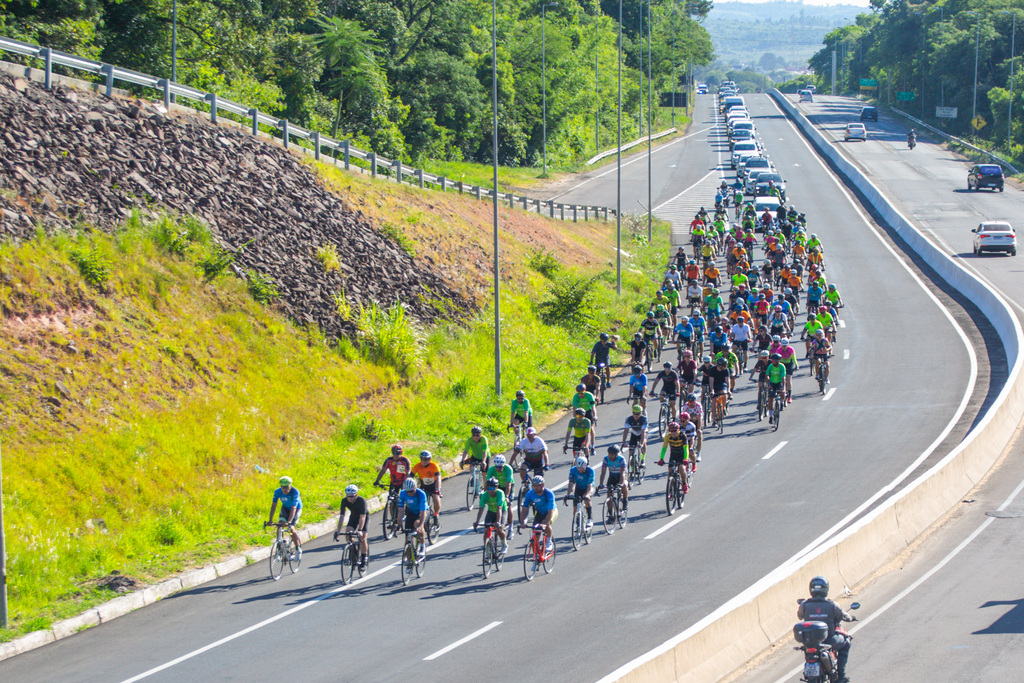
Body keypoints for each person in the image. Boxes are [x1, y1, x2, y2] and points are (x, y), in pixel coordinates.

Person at [798, 576, 855, 683]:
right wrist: (851, 618)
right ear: (826, 589)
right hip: (829, 639)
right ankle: (841, 676)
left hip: (810, 642)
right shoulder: (832, 605)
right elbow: (844, 616)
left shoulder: (804, 605)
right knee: (846, 642)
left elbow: (800, 616)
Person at [518, 476, 557, 554]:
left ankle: (549, 541)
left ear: (543, 485)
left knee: (547, 524)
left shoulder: (549, 494)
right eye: (534, 485)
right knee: (535, 536)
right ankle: (536, 557)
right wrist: (522, 522)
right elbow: (525, 509)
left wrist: (544, 523)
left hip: (551, 511)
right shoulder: (530, 494)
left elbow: (550, 511)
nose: (536, 488)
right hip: (539, 512)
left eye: (538, 485)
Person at [334, 484, 369, 569]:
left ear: (356, 495)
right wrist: (338, 531)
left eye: (352, 497)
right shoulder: (344, 501)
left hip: (363, 517)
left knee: (363, 537)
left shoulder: (361, 501)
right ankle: (354, 552)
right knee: (348, 534)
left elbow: (362, 517)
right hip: (353, 517)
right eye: (348, 497)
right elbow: (342, 516)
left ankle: (364, 558)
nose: (350, 499)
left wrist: (360, 530)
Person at [268, 476, 302, 559]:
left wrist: (290, 521)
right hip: (285, 508)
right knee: (279, 526)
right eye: (282, 487)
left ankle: (298, 549)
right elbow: (273, 506)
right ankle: (280, 549)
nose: (284, 489)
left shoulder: (295, 492)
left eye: (286, 487)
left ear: (290, 486)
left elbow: (294, 507)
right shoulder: (277, 492)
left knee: (291, 529)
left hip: (296, 509)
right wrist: (270, 520)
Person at [473, 477, 509, 553]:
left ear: (496, 487)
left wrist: (498, 522)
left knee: (499, 529)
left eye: (492, 488)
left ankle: (504, 544)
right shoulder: (484, 495)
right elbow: (481, 509)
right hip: (491, 511)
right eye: (489, 488)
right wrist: (477, 521)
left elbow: (499, 508)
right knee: (486, 530)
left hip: (501, 511)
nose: (490, 491)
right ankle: (486, 550)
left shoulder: (500, 493)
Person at [657, 422, 691, 494]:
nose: (673, 433)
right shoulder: (668, 436)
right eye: (671, 431)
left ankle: (685, 484)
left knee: (681, 468)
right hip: (673, 455)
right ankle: (670, 490)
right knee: (670, 471)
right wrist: (661, 459)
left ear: (678, 430)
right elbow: (664, 448)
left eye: (675, 430)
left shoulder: (682, 436)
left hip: (682, 455)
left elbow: (686, 449)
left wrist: (685, 458)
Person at [565, 456, 596, 530]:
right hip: (579, 488)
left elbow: (589, 486)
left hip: (589, 487)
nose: (579, 469)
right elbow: (571, 483)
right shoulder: (573, 470)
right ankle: (578, 524)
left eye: (581, 468)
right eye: (578, 468)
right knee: (575, 508)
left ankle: (589, 519)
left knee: (586, 499)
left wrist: (587, 495)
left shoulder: (590, 471)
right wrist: (568, 495)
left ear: (585, 465)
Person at [598, 444, 630, 514]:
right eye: (609, 453)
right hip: (612, 476)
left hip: (621, 475)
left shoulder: (621, 459)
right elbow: (603, 472)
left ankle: (625, 501)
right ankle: (610, 514)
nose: (610, 455)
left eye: (612, 454)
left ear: (616, 454)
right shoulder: (606, 459)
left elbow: (623, 473)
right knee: (609, 493)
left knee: (624, 485)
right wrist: (601, 483)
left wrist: (621, 484)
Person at [398, 478, 428, 549]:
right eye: (407, 492)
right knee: (407, 541)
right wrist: (399, 524)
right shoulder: (402, 493)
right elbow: (401, 510)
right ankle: (408, 559)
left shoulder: (421, 494)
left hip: (422, 512)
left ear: (415, 487)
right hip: (411, 512)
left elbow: (423, 512)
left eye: (412, 491)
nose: (410, 493)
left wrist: (420, 525)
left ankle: (422, 547)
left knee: (417, 524)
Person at [411, 450, 443, 517]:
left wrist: (437, 489)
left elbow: (438, 478)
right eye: (423, 459)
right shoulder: (417, 466)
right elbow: (410, 476)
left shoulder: (434, 466)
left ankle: (436, 514)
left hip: (434, 485)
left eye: (426, 459)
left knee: (436, 498)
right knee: (417, 499)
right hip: (423, 485)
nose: (424, 461)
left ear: (429, 459)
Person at [765, 353, 787, 423]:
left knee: (782, 393)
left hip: (779, 382)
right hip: (772, 383)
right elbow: (767, 375)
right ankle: (771, 416)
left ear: (779, 361)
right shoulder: (770, 366)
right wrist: (769, 383)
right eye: (773, 361)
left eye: (776, 361)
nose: (775, 362)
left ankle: (782, 402)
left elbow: (783, 377)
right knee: (770, 399)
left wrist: (783, 387)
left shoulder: (782, 366)